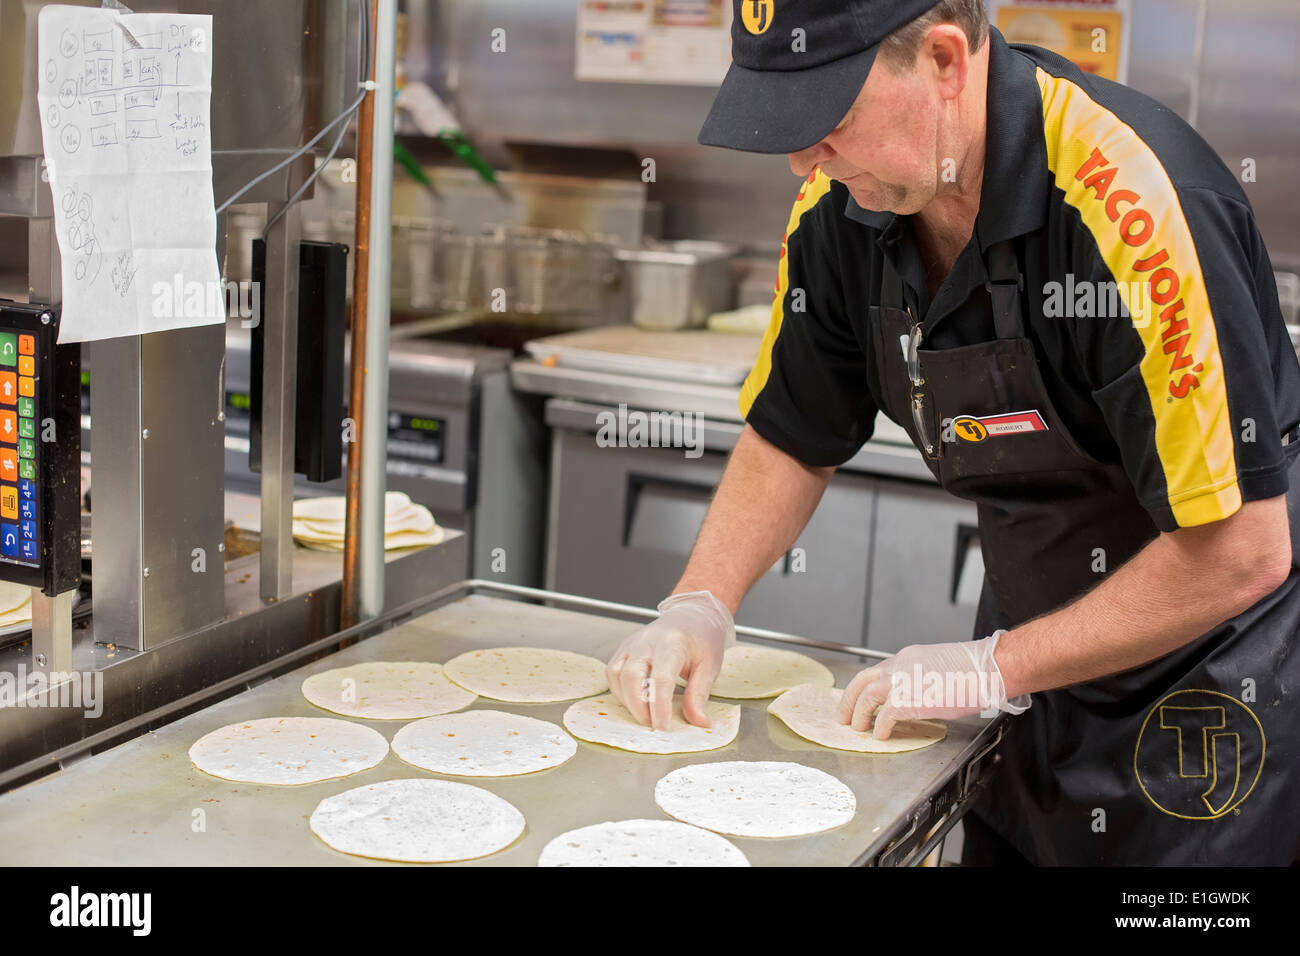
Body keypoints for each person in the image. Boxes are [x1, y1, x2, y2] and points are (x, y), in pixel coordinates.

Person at [605, 0, 1300, 865]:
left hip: (1205, 706)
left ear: (942, 61)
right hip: (1026, 676)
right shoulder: (840, 206)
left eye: (826, 116)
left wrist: (991, 668)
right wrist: (699, 603)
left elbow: (1241, 552)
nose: (799, 158)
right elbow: (795, 431)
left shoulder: (1133, 204)